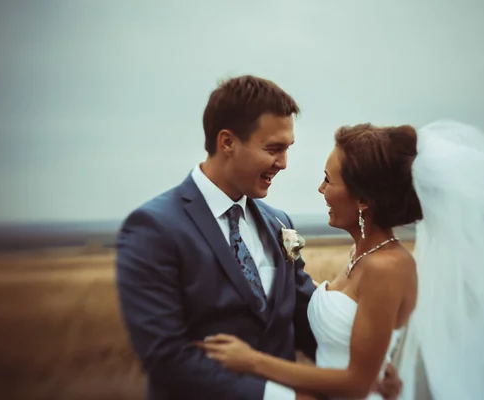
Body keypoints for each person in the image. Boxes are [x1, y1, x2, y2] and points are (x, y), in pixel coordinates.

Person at [198, 120, 484, 400]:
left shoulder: (388, 268)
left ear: (363, 200)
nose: (320, 189)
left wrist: (251, 362)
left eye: (329, 180)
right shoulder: (360, 255)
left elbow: (356, 384)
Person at [115, 75, 403, 400]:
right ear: (227, 142)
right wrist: (285, 398)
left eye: (287, 149)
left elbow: (305, 319)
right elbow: (166, 358)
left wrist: (371, 373)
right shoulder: (153, 228)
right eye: (273, 149)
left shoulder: (278, 223)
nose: (283, 163)